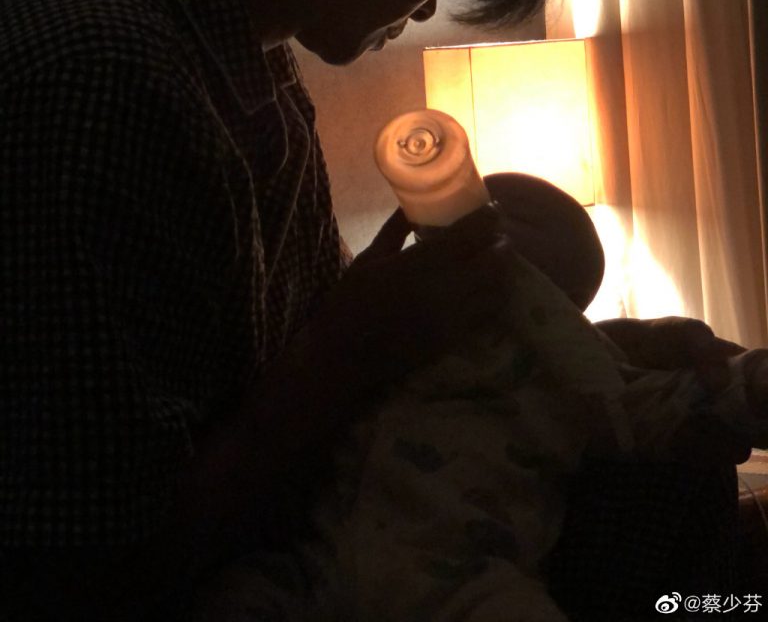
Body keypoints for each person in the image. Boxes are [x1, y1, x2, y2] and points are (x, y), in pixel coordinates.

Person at [0, 0, 744, 621]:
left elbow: (294, 372)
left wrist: (595, 358)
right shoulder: (102, 81)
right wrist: (352, 346)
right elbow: (78, 576)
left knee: (678, 486)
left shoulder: (239, 57)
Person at [191, 173, 765, 622]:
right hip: (319, 559)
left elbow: (650, 401)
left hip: (465, 573)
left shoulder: (574, 374)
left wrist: (743, 387)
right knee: (237, 601)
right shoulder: (388, 331)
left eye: (502, 215)